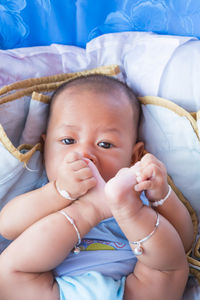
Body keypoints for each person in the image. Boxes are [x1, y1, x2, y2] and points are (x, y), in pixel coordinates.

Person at [0, 74, 194, 300]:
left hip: (133, 288)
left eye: (105, 144)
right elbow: (7, 226)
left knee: (168, 269)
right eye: (68, 141)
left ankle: (122, 213)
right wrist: (59, 192)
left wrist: (162, 195)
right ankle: (90, 210)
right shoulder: (46, 193)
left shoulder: (137, 191)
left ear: (134, 156)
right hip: (55, 289)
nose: (85, 154)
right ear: (45, 148)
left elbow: (183, 241)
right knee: (8, 273)